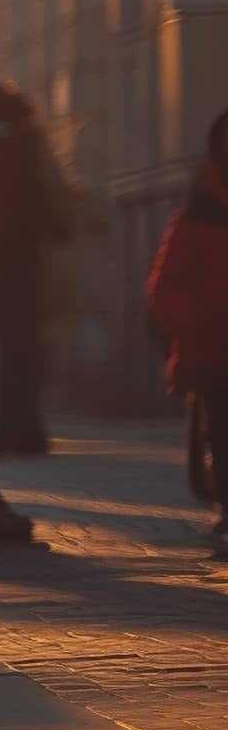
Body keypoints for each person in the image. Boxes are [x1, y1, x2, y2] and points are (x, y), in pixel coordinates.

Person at [0, 79, 74, 455]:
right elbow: (53, 190)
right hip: (21, 255)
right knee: (21, 345)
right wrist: (60, 228)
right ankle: (22, 428)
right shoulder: (26, 139)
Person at [148, 111, 228, 552]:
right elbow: (165, 288)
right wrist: (203, 320)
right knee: (220, 429)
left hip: (210, 347)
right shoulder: (196, 218)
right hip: (214, 350)